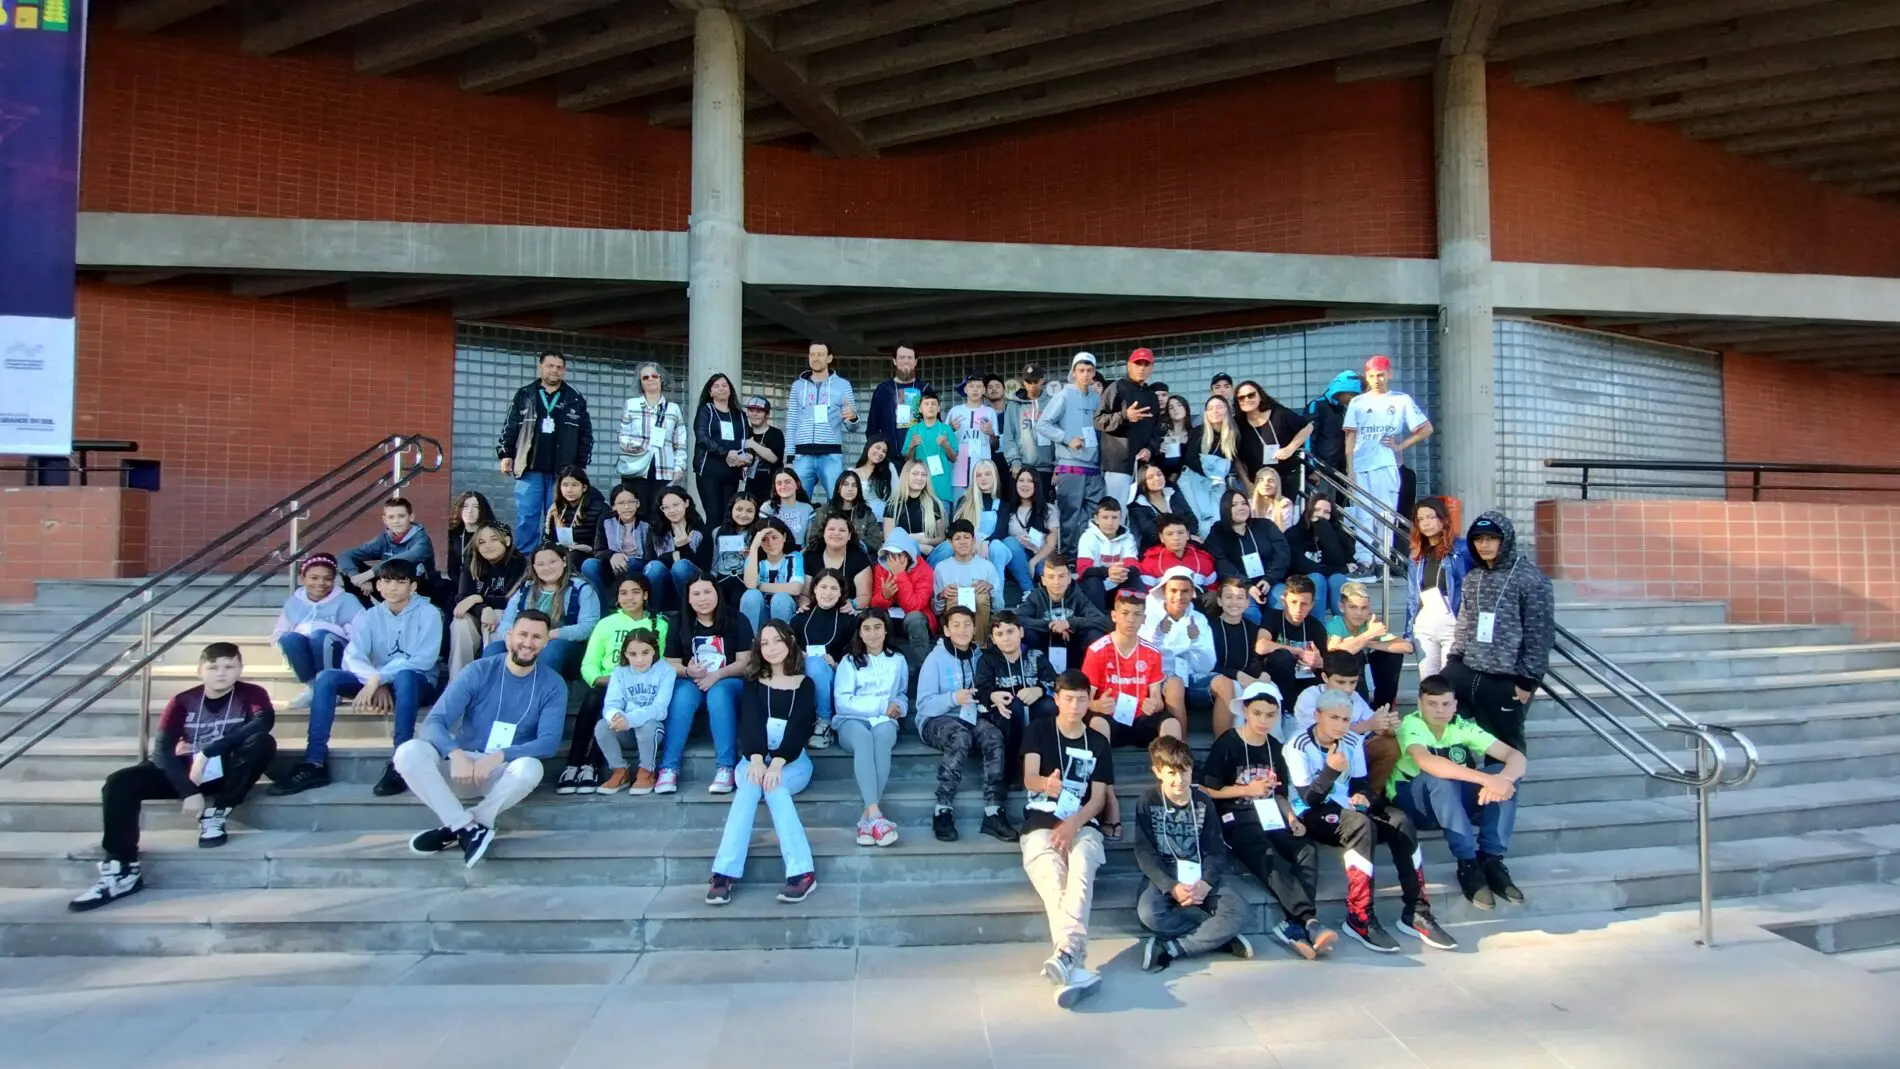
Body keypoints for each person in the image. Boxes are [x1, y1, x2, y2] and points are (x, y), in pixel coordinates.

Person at [68, 643, 276, 912]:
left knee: (262, 743)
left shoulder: (252, 694)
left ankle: (218, 812)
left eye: (229, 667)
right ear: (199, 670)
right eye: (213, 667)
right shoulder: (182, 701)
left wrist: (209, 750)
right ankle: (122, 869)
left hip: (226, 770)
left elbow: (262, 722)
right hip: (187, 771)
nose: (221, 674)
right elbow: (163, 752)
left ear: (240, 668)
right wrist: (189, 791)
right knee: (120, 782)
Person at [1283, 690, 1452, 952]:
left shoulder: (1351, 739)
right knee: (1360, 826)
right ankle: (1359, 916)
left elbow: (1361, 782)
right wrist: (1331, 770)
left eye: (1346, 719)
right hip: (1310, 812)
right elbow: (1309, 797)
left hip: (1346, 806)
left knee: (1400, 820)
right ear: (1317, 716)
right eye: (1334, 718)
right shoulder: (1297, 745)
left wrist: (1363, 796)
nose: (1341, 725)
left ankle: (1417, 911)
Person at [396, 611, 566, 868]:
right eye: (522, 634)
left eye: (536, 637)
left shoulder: (553, 684)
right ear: (509, 636)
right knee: (409, 751)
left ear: (545, 643)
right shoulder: (479, 670)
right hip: (462, 767)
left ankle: (461, 827)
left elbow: (548, 742)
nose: (527, 643)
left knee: (532, 767)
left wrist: (498, 757)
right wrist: (456, 754)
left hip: (500, 774)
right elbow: (434, 723)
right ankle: (468, 827)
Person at [271, 559, 441, 798]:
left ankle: (400, 763)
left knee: (405, 676)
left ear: (412, 587)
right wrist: (374, 678)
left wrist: (378, 678)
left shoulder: (429, 613)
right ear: (378, 586)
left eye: (400, 582)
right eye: (386, 581)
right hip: (377, 682)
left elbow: (423, 659)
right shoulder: (372, 615)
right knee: (328, 677)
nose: (392, 588)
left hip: (418, 684)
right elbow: (352, 655)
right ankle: (314, 762)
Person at [1199, 681, 1335, 959]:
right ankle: (1308, 919)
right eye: (1258, 713)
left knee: (1305, 848)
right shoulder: (1228, 742)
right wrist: (1247, 790)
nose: (1264, 721)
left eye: (1270, 715)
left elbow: (1281, 793)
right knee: (1266, 853)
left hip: (1271, 815)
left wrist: (1290, 817)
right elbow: (1206, 788)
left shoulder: (1275, 747)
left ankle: (1293, 926)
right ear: (1246, 711)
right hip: (1235, 816)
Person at [705, 621, 820, 905]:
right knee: (748, 785)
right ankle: (724, 872)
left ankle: (802, 872)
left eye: (777, 641)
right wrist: (757, 759)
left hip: (792, 761)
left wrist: (777, 764)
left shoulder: (805, 684)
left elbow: (800, 728)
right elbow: (750, 723)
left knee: (774, 786)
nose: (771, 648)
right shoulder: (754, 682)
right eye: (764, 643)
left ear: (790, 642)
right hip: (755, 757)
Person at [1390, 675, 1527, 910]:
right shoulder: (1411, 725)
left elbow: (1516, 757)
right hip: (1415, 803)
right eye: (1432, 703)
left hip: (1451, 800)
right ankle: (1468, 863)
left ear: (1455, 705)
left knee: (1503, 774)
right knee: (1440, 778)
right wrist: (1487, 780)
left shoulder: (1463, 725)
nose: (1439, 710)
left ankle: (1491, 860)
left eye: (1446, 704)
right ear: (1419, 703)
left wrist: (1502, 780)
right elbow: (1426, 762)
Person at [1022, 671, 1113, 1009]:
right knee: (1053, 877)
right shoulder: (1039, 731)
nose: (1075, 705)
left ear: (1090, 701)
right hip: (1040, 821)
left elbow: (1098, 799)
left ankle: (1066, 957)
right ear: (1057, 699)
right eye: (1068, 698)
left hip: (1083, 823)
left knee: (1083, 864)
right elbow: (1028, 778)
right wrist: (1046, 784)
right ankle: (1074, 957)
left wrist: (1073, 824)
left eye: (1082, 699)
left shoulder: (1098, 742)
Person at [1133, 735, 1252, 972]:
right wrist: (1171, 886)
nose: (1179, 780)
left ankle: (1174, 948)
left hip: (1200, 873)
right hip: (1165, 874)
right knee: (1149, 914)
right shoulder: (1148, 801)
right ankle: (1217, 937)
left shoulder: (1203, 802)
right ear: (1158, 772)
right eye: (1171, 773)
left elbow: (1216, 851)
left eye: (1185, 772)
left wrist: (1206, 883)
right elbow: (1145, 852)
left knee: (1239, 910)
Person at [1442, 511, 1554, 756]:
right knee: (1442, 722)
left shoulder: (1531, 579)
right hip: (1469, 669)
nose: (1484, 545)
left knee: (1503, 747)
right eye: (1478, 539)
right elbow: (1465, 622)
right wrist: (1454, 660)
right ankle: (1464, 777)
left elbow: (1540, 635)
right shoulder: (1473, 578)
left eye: (1491, 538)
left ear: (1506, 540)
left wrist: (1527, 680)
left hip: (1507, 677)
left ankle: (1502, 793)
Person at [561, 574, 669, 793]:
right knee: (595, 700)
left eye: (635, 592)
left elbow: (660, 660)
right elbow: (589, 664)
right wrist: (608, 680)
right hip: (608, 681)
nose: (629, 598)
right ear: (617, 598)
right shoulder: (606, 624)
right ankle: (574, 764)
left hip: (641, 683)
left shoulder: (659, 623)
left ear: (646, 595)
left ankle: (592, 765)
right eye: (623, 593)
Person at [1082, 589, 1176, 839]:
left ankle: (1172, 796)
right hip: (1111, 720)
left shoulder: (1151, 651)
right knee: (1097, 723)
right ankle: (1108, 800)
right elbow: (1085, 701)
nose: (1131, 620)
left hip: (1140, 719)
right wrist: (1096, 706)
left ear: (1144, 619)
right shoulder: (1097, 650)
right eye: (1125, 613)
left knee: (1171, 725)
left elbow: (1156, 696)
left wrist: (1154, 705)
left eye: (1137, 615)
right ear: (1114, 616)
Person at [916, 606, 1012, 843]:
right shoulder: (935, 659)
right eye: (956, 625)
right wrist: (952, 698)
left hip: (972, 716)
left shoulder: (981, 656)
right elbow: (923, 705)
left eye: (967, 624)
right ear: (946, 630)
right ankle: (943, 809)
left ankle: (993, 810)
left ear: (974, 628)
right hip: (935, 720)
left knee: (993, 735)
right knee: (960, 736)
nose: (962, 629)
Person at [658, 573, 755, 795]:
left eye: (708, 592)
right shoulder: (678, 622)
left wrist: (717, 675)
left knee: (718, 693)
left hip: (730, 681)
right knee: (682, 696)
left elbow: (745, 663)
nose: (703, 598)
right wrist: (687, 670)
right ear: (689, 599)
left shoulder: (737, 619)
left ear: (717, 594)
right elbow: (670, 663)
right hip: (692, 680)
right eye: (696, 593)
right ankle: (668, 768)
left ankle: (725, 767)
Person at [498, 350, 593, 553]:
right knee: (527, 518)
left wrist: (580, 467)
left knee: (560, 517)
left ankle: (559, 560)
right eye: (550, 366)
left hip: (563, 472)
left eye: (559, 367)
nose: (555, 371)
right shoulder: (525, 394)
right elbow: (511, 426)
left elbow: (586, 435)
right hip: (529, 468)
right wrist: (506, 454)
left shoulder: (575, 398)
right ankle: (526, 565)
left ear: (564, 371)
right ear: (540, 367)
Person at [1343, 354, 1432, 564]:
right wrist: (1350, 469)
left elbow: (1426, 429)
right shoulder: (1357, 402)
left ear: (1389, 374)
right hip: (1361, 466)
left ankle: (1382, 561)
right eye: (1372, 375)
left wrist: (1399, 446)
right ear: (1367, 376)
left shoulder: (1401, 400)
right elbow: (1350, 435)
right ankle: (1364, 561)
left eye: (1381, 375)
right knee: (1362, 514)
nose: (1377, 379)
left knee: (1385, 514)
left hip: (1386, 465)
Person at [832, 611, 908, 847]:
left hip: (884, 720)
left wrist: (897, 707)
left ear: (886, 630)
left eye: (878, 627)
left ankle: (868, 820)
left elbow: (901, 694)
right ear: (860, 633)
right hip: (850, 720)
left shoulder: (898, 660)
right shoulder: (849, 661)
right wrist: (881, 705)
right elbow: (843, 700)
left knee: (884, 737)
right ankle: (875, 814)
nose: (873, 633)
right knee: (864, 739)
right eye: (867, 628)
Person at [975, 610, 1055, 804]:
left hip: (1035, 709)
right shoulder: (988, 660)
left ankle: (1047, 768)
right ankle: (1012, 771)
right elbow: (979, 690)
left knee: (1049, 708)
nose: (1006, 638)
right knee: (1013, 709)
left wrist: (1040, 690)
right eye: (999, 634)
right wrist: (992, 695)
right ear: (993, 639)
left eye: (1010, 632)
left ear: (1020, 632)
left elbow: (1055, 683)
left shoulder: (1036, 655)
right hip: (1004, 714)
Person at [485, 545, 600, 680]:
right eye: (540, 564)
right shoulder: (526, 589)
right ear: (533, 567)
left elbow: (589, 627)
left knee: (552, 650)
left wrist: (551, 635)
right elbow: (507, 621)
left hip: (565, 647)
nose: (547, 568)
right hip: (527, 642)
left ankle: (539, 695)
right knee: (493, 650)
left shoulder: (581, 588)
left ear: (563, 562)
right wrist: (509, 637)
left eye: (552, 562)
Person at [1293, 649, 1400, 791]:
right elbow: (1324, 734)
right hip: (1317, 756)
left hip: (1353, 752)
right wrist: (1368, 725)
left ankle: (1369, 798)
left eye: (1353, 682)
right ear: (1325, 677)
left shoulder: (1355, 697)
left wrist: (1387, 725)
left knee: (1389, 745)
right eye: (1341, 682)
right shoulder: (1309, 696)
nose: (1348, 689)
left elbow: (1374, 726)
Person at [272, 553, 361, 709]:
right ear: (302, 578)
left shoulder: (347, 600)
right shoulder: (294, 602)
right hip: (309, 655)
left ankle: (332, 687)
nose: (321, 583)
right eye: (314, 578)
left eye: (327, 578)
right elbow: (278, 633)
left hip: (338, 654)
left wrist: (332, 630)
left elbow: (361, 633)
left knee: (321, 636)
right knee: (288, 638)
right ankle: (314, 687)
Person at [1036, 352, 1104, 555]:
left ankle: (1087, 556)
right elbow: (1043, 424)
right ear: (1073, 372)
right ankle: (1066, 557)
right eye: (1081, 370)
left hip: (1094, 467)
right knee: (1069, 517)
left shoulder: (1097, 399)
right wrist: (1067, 438)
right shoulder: (1064, 395)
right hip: (1070, 465)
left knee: (1094, 516)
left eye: (1089, 370)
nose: (1085, 374)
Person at [594, 628, 675, 796]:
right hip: (626, 729)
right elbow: (611, 704)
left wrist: (629, 719)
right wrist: (615, 717)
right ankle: (620, 771)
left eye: (645, 652)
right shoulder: (619, 672)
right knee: (602, 726)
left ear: (654, 650)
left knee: (646, 727)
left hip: (653, 730)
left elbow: (660, 710)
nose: (639, 659)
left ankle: (647, 772)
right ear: (625, 654)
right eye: (633, 654)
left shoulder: (666, 671)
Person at [1139, 566, 1216, 728]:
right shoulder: (1146, 616)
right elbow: (1142, 660)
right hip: (1158, 682)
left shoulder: (1199, 619)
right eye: (1173, 591)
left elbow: (1207, 666)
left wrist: (1195, 641)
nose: (1179, 596)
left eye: (1185, 591)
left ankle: (1224, 749)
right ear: (1164, 592)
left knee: (1226, 685)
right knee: (1175, 684)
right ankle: (1180, 748)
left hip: (1192, 678)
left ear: (1192, 593)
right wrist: (1158, 634)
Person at [448, 524, 526, 680]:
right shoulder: (471, 563)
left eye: (493, 540)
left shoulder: (519, 563)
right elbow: (462, 598)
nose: (487, 546)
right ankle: (458, 682)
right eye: (482, 542)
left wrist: (479, 599)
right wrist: (483, 608)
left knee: (497, 616)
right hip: (478, 616)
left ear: (508, 541)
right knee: (460, 621)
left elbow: (511, 600)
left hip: (505, 618)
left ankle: (489, 680)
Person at [785, 342, 860, 503]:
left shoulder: (843, 385)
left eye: (820, 354)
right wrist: (789, 458)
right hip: (802, 455)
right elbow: (791, 423)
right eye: (812, 354)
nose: (816, 358)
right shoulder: (797, 386)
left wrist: (852, 417)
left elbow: (852, 427)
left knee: (838, 501)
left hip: (831, 455)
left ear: (829, 358)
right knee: (798, 502)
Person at [789, 568, 854, 749]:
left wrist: (834, 664)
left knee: (816, 664)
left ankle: (824, 722)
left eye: (834, 588)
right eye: (823, 587)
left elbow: (856, 661)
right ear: (814, 589)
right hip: (803, 680)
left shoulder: (849, 620)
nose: (827, 593)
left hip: (836, 679)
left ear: (841, 592)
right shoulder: (799, 619)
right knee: (812, 663)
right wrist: (799, 656)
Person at [1408, 496, 1470, 678]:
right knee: (1427, 681)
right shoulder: (1417, 555)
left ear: (1443, 518)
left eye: (1430, 517)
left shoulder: (1461, 549)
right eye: (1420, 520)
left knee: (1449, 679)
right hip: (1424, 619)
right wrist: (1407, 632)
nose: (1425, 523)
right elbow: (1412, 596)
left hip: (1452, 618)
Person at [1014, 554, 1108, 674]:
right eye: (1051, 577)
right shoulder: (1036, 596)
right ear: (1043, 580)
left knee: (1094, 634)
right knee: (1026, 633)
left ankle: (1089, 675)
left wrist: (1070, 623)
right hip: (1045, 647)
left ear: (1069, 578)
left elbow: (1102, 621)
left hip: (1073, 647)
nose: (1057, 582)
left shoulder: (1077, 595)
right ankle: (1035, 674)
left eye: (1061, 576)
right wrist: (1050, 625)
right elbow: (1019, 619)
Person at [1329, 580, 1414, 714]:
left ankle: (1382, 709)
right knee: (1355, 654)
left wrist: (1368, 641)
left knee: (1392, 656)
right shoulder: (1336, 624)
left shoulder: (1370, 625)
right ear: (1341, 607)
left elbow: (1407, 647)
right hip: (1342, 681)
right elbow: (1334, 651)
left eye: (1364, 608)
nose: (1359, 613)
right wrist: (1368, 636)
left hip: (1366, 670)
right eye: (1353, 607)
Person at [1204, 489, 1290, 622]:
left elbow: (1283, 553)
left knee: (1284, 603)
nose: (1241, 507)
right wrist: (1247, 586)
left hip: (1270, 582)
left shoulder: (1265, 525)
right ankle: (1258, 642)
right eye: (1234, 505)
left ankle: (1279, 641)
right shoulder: (1217, 534)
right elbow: (1222, 564)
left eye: (1244, 503)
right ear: (1225, 509)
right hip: (1238, 587)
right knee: (1251, 613)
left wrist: (1269, 578)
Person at [616, 360, 687, 517]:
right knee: (637, 511)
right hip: (637, 467)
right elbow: (622, 435)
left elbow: (681, 443)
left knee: (660, 513)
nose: (650, 379)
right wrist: (635, 445)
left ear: (662, 379)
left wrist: (679, 467)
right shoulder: (631, 404)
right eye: (645, 377)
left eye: (654, 376)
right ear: (640, 383)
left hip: (664, 468)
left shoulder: (673, 409)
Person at [1093, 347, 1161, 505]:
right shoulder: (1116, 388)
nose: (1142, 368)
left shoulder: (1151, 396)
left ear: (1151, 368)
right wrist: (1124, 416)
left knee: (1143, 510)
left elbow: (1157, 430)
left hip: (1145, 466)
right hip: (1118, 464)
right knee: (1117, 510)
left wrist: (1150, 449)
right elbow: (1099, 420)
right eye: (1138, 363)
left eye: (1146, 364)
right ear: (1129, 365)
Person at [338, 497, 438, 600]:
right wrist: (356, 577)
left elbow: (401, 560)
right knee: (350, 570)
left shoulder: (422, 539)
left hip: (419, 590)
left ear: (411, 517)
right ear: (385, 520)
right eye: (391, 517)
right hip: (390, 588)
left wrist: (368, 575)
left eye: (401, 516)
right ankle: (365, 611)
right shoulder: (384, 538)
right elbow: (345, 555)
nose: (396, 521)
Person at [944, 459, 1017, 595]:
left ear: (994, 476)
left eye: (987, 474)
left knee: (997, 546)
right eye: (979, 475)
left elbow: (1001, 531)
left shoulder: (1002, 504)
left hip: (992, 550)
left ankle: (996, 598)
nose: (983, 478)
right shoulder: (964, 501)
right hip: (970, 546)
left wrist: (985, 542)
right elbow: (957, 528)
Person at [1204, 578, 1267, 738]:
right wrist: (1237, 675)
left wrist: (1263, 675)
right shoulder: (1209, 627)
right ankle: (1235, 741)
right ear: (1219, 601)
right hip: (1220, 679)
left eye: (1239, 598)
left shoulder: (1252, 629)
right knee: (1236, 689)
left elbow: (1255, 660)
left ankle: (1269, 742)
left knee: (1269, 688)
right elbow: (1208, 664)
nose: (1234, 602)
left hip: (1247, 679)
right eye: (1229, 597)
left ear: (1247, 603)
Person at [1259, 575, 1330, 716]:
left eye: (1304, 604)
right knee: (1282, 657)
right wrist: (1296, 651)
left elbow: (1326, 662)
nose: (1298, 609)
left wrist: (1319, 662)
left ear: (1312, 605)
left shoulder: (1316, 627)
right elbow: (1261, 646)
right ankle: (1286, 711)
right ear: (1283, 600)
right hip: (1276, 680)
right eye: (1293, 602)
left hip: (1306, 680)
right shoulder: (1272, 617)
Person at [869, 530, 936, 675]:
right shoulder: (881, 567)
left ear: (908, 554)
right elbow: (874, 605)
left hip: (916, 620)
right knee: (873, 617)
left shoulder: (924, 570)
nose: (893, 560)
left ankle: (924, 670)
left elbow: (914, 606)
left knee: (914, 618)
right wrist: (885, 596)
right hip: (891, 618)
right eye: (890, 555)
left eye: (898, 555)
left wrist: (900, 575)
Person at [692, 372, 748, 541]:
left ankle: (726, 558)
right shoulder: (706, 410)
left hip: (731, 472)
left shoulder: (739, 414)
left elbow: (746, 439)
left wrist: (747, 456)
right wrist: (726, 453)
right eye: (716, 386)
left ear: (730, 390)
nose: (721, 389)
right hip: (709, 470)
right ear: (710, 392)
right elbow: (702, 437)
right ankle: (710, 560)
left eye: (724, 385)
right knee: (714, 516)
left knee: (729, 517)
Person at [1233, 380, 1311, 498]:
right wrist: (1247, 484)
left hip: (1286, 477)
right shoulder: (1238, 425)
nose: (1246, 400)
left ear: (1260, 395)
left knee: (1284, 513)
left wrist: (1290, 448)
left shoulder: (1278, 413)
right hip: (1259, 482)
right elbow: (1236, 457)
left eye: (1251, 395)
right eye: (1241, 398)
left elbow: (1308, 427)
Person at [1286, 494, 1355, 619]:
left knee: (1337, 579)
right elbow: (1304, 567)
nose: (1321, 515)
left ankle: (1343, 631)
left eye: (1326, 512)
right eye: (1317, 510)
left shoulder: (1336, 534)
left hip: (1330, 586)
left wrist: (1325, 530)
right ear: (1309, 511)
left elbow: (1338, 560)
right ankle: (1319, 629)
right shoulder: (1294, 533)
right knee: (1317, 578)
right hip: (1304, 583)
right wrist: (1342, 569)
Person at [644, 486, 709, 613]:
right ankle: (653, 614)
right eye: (666, 507)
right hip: (662, 580)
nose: (672, 510)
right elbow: (650, 561)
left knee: (680, 566)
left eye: (676, 505)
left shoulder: (700, 531)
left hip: (691, 580)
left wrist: (684, 547)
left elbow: (704, 565)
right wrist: (674, 555)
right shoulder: (656, 531)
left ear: (686, 503)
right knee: (655, 567)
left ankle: (689, 613)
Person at [932, 519, 1002, 634]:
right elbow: (936, 610)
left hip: (981, 619)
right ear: (950, 542)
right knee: (954, 596)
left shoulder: (987, 566)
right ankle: (957, 644)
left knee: (981, 595)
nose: (963, 542)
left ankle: (980, 646)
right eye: (957, 538)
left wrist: (991, 589)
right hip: (951, 619)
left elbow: (999, 607)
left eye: (966, 537)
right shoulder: (941, 568)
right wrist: (942, 595)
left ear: (974, 540)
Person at [1180, 395, 1238, 533]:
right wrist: (1212, 473)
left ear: (1227, 410)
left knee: (1218, 518)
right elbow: (1190, 458)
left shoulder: (1233, 434)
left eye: (1219, 407)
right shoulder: (1199, 431)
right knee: (1203, 521)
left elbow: (1233, 459)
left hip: (1217, 483)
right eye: (1210, 408)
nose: (1215, 411)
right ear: (1205, 412)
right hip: (1194, 478)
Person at [582, 485, 648, 603]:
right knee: (589, 564)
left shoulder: (647, 521)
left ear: (638, 503)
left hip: (638, 563)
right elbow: (598, 550)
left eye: (631, 502)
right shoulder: (606, 520)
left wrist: (627, 560)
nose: (627, 507)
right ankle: (602, 608)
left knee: (630, 563)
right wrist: (612, 555)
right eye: (621, 503)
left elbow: (651, 553)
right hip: (611, 564)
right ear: (614, 506)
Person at [1075, 496, 1141, 612]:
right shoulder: (1088, 537)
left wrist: (1121, 573)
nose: (1110, 523)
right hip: (1095, 587)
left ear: (1120, 518)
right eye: (1105, 517)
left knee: (1135, 581)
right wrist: (1108, 572)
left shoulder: (1128, 538)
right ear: (1096, 518)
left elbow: (1134, 566)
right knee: (1092, 581)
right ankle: (1097, 621)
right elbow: (1083, 570)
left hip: (1118, 582)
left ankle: (1135, 618)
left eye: (1114, 518)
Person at [1003, 466, 1059, 597]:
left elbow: (1051, 543)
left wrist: (1033, 561)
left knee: (1044, 567)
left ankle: (1044, 595)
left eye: (1030, 481)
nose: (1025, 485)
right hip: (1016, 560)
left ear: (1036, 485)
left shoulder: (1048, 509)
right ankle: (1029, 591)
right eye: (1021, 480)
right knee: (1010, 542)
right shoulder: (1008, 509)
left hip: (1040, 557)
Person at [741, 518, 806, 633]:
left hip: (784, 611)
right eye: (764, 539)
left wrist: (759, 585)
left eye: (775, 538)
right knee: (751, 595)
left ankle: (783, 640)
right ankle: (751, 643)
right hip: (761, 613)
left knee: (780, 598)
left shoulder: (794, 557)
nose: (770, 544)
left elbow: (796, 588)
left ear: (784, 537)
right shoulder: (753, 558)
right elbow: (751, 585)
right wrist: (754, 548)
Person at [541, 466, 607, 577]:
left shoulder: (600, 508)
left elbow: (604, 544)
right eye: (565, 485)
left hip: (591, 555)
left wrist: (582, 547)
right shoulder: (555, 509)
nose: (569, 490)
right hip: (563, 552)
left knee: (572, 558)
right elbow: (548, 539)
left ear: (584, 487)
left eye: (574, 485)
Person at [947, 374, 1000, 506]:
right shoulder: (955, 411)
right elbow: (943, 441)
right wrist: (950, 429)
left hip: (982, 471)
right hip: (958, 468)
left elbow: (995, 445)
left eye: (979, 387)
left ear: (983, 391)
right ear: (965, 390)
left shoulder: (990, 412)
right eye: (971, 386)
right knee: (959, 508)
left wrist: (991, 433)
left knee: (981, 508)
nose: (975, 390)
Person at [1303, 369, 1363, 485]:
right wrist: (1312, 468)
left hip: (1339, 472)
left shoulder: (1344, 410)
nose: (1352, 399)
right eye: (1351, 394)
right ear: (1341, 390)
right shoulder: (1317, 405)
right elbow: (1308, 438)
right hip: (1321, 472)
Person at [803, 513, 874, 611]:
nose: (836, 533)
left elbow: (864, 595)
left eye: (842, 530)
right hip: (815, 611)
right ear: (823, 533)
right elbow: (804, 595)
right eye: (831, 529)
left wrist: (853, 604)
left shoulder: (860, 558)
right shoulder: (810, 557)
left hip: (846, 612)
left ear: (849, 535)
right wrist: (807, 607)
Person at [884, 458, 950, 562]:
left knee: (948, 547)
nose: (920, 478)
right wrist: (917, 546)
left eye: (923, 475)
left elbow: (941, 538)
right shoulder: (893, 504)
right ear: (906, 475)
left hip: (929, 555)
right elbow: (888, 538)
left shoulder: (934, 503)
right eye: (915, 473)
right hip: (903, 556)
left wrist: (924, 540)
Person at [439, 491, 497, 608]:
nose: (470, 511)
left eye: (476, 507)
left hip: (485, 588)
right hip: (459, 586)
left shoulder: (492, 535)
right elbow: (452, 568)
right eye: (465, 506)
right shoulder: (453, 535)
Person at [866, 345, 927, 457]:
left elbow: (935, 423)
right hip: (889, 458)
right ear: (894, 361)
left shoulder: (925, 389)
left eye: (909, 358)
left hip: (920, 457)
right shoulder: (883, 390)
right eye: (902, 357)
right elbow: (872, 426)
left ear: (915, 361)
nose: (906, 361)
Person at [706, 492, 763, 612]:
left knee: (737, 600)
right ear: (731, 509)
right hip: (721, 577)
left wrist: (751, 555)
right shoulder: (717, 532)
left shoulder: (756, 534)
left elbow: (760, 564)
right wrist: (711, 580)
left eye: (749, 511)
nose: (743, 514)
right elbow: (715, 559)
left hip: (743, 578)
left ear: (756, 513)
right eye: (739, 509)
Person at [900, 389, 957, 506]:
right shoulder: (913, 430)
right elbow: (907, 459)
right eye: (926, 404)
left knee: (942, 523)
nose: (930, 407)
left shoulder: (946, 429)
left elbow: (954, 458)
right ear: (920, 409)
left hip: (942, 489)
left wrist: (945, 445)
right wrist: (911, 446)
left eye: (933, 404)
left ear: (938, 408)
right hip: (919, 489)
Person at [809, 468, 882, 557]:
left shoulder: (866, 512)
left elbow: (876, 541)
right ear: (838, 488)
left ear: (858, 490)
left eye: (854, 485)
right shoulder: (825, 511)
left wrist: (855, 541)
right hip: (829, 556)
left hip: (857, 557)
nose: (850, 489)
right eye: (845, 484)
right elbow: (813, 539)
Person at [1000, 364, 1053, 486]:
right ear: (1023, 382)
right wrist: (1015, 462)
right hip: (1022, 468)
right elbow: (1009, 437)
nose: (1032, 385)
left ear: (1042, 380)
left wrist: (1059, 466)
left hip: (1048, 468)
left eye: (1036, 381)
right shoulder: (1013, 406)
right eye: (1028, 381)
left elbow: (1059, 435)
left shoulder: (1052, 403)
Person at [1126, 461, 1197, 549]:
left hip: (1185, 544)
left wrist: (1187, 537)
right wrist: (1186, 537)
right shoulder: (1138, 505)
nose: (1157, 478)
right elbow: (1151, 534)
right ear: (1143, 482)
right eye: (1150, 477)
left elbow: (1192, 519)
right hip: (1157, 549)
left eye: (1159, 474)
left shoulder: (1173, 493)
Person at [1137, 514, 1216, 590]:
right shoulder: (1150, 562)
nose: (1176, 538)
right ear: (1161, 537)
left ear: (1188, 535)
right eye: (1169, 534)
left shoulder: (1203, 559)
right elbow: (1147, 593)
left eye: (1181, 533)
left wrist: (1212, 594)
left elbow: (1213, 587)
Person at [739, 395, 785, 505]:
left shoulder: (775, 433)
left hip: (771, 488)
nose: (754, 414)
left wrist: (752, 444)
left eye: (759, 411)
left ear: (767, 414)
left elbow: (774, 458)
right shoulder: (745, 432)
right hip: (749, 485)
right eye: (751, 410)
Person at [849, 438, 902, 524]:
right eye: (877, 448)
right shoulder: (851, 472)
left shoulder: (889, 468)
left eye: (884, 451)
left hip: (883, 521)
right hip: (858, 521)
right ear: (868, 447)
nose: (880, 453)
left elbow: (897, 495)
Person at [761, 469, 814, 551]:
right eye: (779, 483)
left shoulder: (807, 509)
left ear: (798, 484)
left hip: (799, 555)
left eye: (787, 482)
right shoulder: (768, 507)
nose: (783, 486)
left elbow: (810, 542)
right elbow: (762, 537)